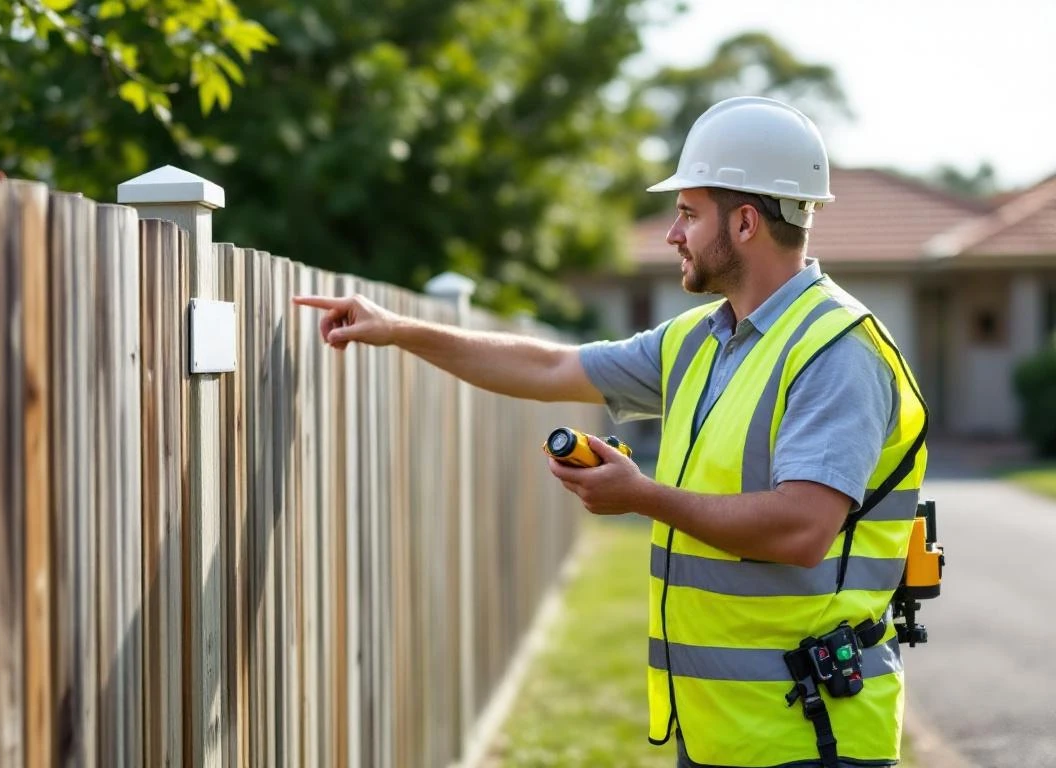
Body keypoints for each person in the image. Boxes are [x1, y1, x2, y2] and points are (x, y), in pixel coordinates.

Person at [293, 95, 928, 768]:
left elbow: (800, 530)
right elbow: (550, 366)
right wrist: (397, 330)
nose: (672, 234)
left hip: (814, 740)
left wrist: (640, 495)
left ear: (745, 222)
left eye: (688, 214)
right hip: (727, 731)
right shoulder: (701, 340)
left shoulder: (836, 351)